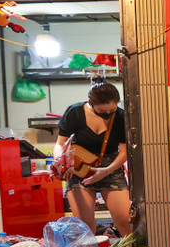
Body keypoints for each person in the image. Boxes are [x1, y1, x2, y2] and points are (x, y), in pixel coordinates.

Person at [53, 80, 131, 236]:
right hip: (79, 167)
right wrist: (60, 162)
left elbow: (124, 152)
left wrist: (106, 171)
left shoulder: (121, 116)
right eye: (102, 110)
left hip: (111, 166)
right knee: (85, 228)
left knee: (125, 222)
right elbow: (60, 144)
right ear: (91, 103)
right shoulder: (75, 112)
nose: (107, 114)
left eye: (112, 110)